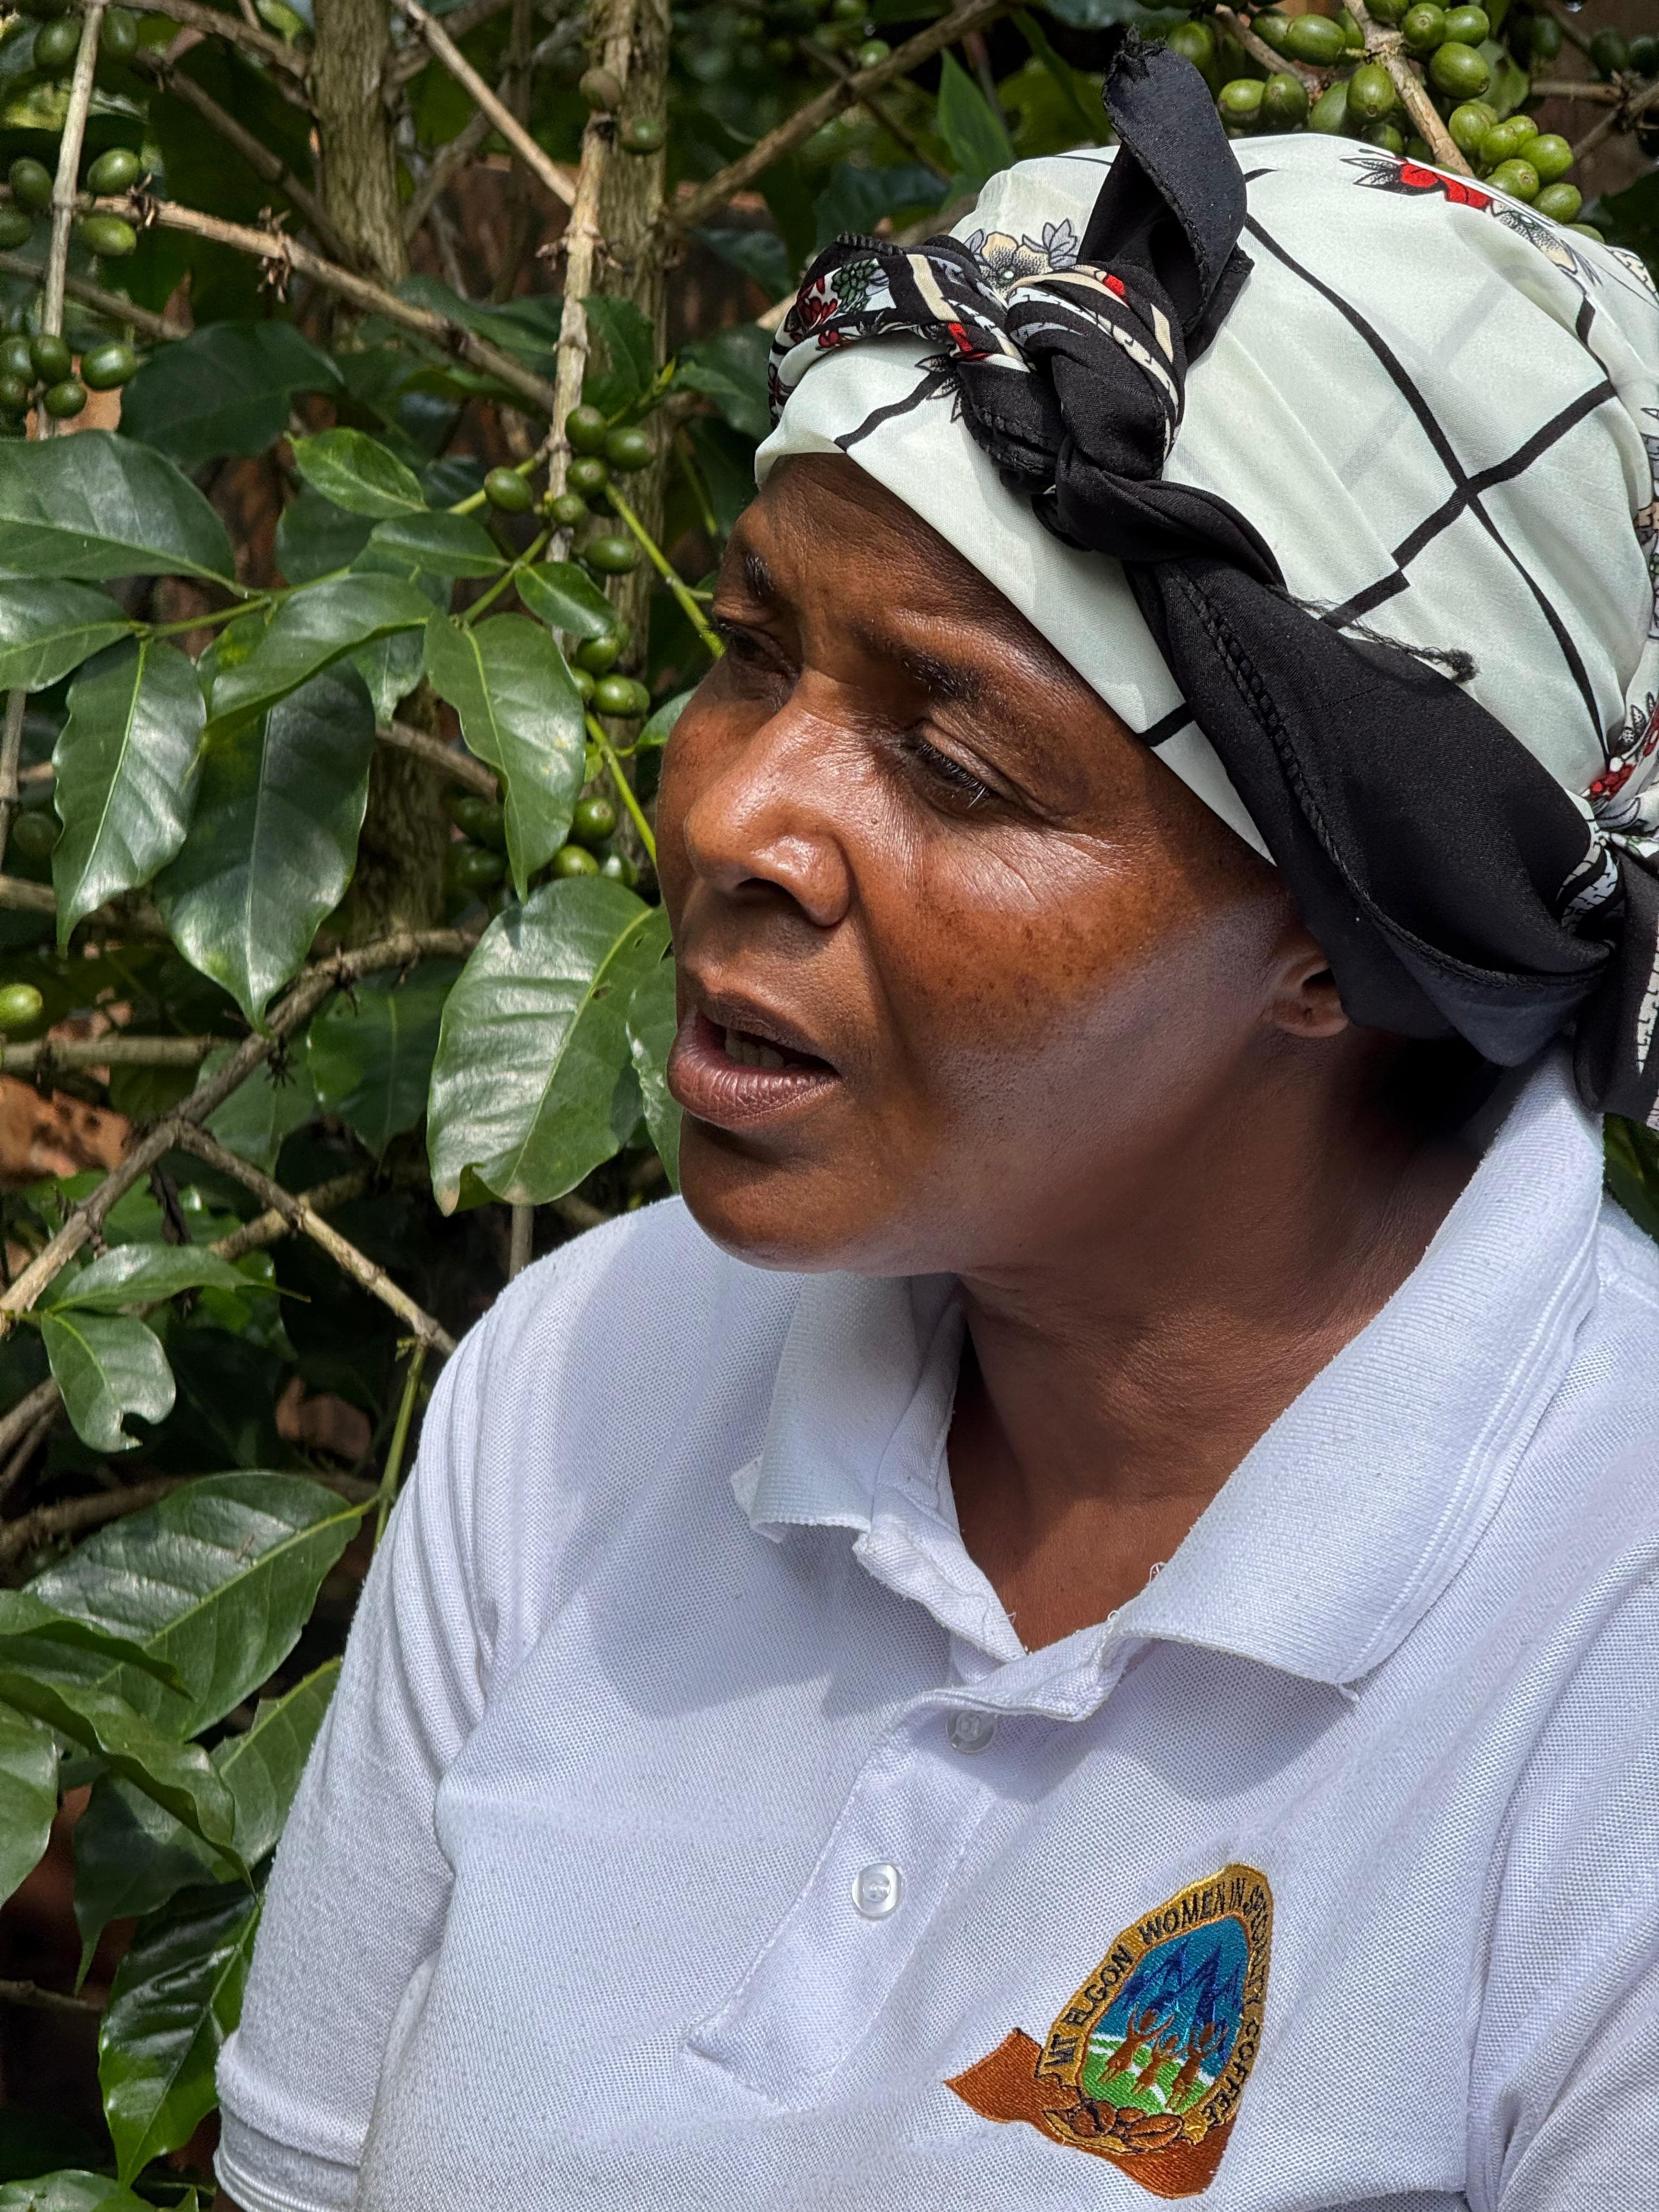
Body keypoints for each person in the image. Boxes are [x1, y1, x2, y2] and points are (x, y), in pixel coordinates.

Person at [213, 43, 1659, 2212]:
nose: (729, 813)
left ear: (1345, 947)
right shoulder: (590, 1380)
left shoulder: (1603, 1654)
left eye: (956, 763)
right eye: (747, 653)